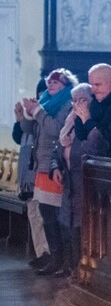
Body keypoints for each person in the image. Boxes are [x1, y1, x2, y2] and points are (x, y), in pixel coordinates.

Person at [18, 68, 77, 276]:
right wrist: (25, 115)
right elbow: (31, 129)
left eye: (56, 83)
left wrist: (38, 111)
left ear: (65, 85)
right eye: (49, 82)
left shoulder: (66, 104)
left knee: (55, 216)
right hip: (42, 166)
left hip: (55, 167)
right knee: (46, 215)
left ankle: (63, 260)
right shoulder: (45, 101)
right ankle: (53, 257)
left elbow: (56, 129)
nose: (50, 85)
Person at [52, 83, 108, 278]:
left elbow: (94, 149)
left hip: (84, 182)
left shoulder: (94, 121)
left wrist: (86, 120)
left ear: (90, 100)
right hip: (68, 181)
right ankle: (68, 265)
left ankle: (81, 270)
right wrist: (55, 167)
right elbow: (56, 148)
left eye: (81, 100)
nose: (76, 104)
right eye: (74, 100)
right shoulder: (69, 121)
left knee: (80, 227)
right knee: (65, 224)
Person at [13, 79, 50, 268]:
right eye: (41, 93)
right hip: (28, 173)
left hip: (40, 171)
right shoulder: (31, 113)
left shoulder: (47, 113)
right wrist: (20, 118)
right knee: (33, 214)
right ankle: (40, 252)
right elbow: (19, 137)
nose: (42, 96)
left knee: (43, 214)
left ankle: (49, 253)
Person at [74, 64, 111, 159]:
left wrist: (87, 120)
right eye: (91, 85)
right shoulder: (94, 102)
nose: (93, 90)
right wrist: (79, 116)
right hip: (95, 162)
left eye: (97, 84)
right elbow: (82, 136)